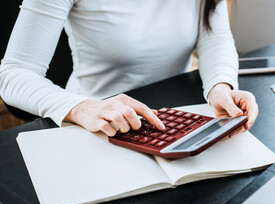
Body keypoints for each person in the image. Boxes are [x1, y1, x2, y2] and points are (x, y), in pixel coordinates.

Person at [0, 0, 258, 137]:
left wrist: (220, 85)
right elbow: (14, 72)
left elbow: (214, 37)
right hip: (96, 124)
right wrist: (81, 107)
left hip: (175, 120)